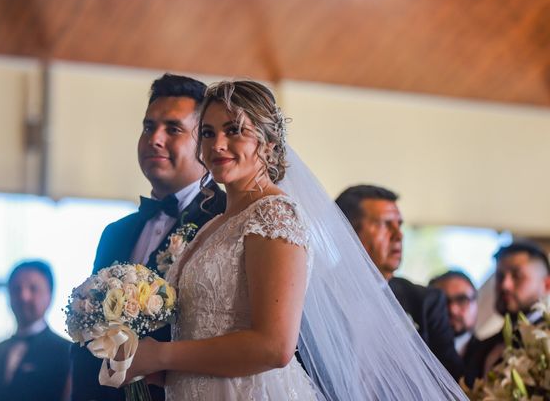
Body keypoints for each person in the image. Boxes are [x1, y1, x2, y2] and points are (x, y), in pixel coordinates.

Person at [115, 80, 466, 400]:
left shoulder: (275, 216)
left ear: (267, 143)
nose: (217, 144)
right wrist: (161, 370)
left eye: (234, 130)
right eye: (207, 133)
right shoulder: (215, 226)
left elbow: (274, 346)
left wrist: (161, 354)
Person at [70, 73, 227, 401]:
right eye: (148, 127)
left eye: (173, 129)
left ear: (206, 141)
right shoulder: (116, 233)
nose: (154, 138)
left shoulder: (225, 220)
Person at [335, 185, 463, 380]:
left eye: (399, 225)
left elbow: (452, 381)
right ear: (348, 231)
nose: (399, 235)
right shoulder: (313, 297)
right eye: (386, 224)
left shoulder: (425, 302)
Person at [0, 260, 71, 401]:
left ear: (50, 295)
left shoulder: (67, 352)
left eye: (33, 288)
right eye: (16, 289)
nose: (24, 296)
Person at [466, 241, 550, 384]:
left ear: (547, 285)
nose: (505, 285)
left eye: (517, 276)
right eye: (500, 276)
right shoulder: (481, 347)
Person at [429, 270, 479, 358]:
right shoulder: (413, 346)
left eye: (461, 300)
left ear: (475, 303)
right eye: (443, 301)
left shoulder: (490, 356)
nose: (453, 310)